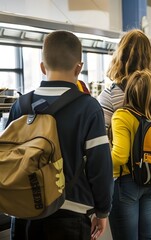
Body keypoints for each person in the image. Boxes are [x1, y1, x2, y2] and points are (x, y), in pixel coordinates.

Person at [7, 30, 113, 240]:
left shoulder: (21, 105)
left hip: (22, 210)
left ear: (41, 66)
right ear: (79, 68)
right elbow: (100, 165)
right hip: (70, 213)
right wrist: (103, 211)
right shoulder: (88, 107)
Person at [97, 29, 151, 240]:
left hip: (124, 178)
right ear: (148, 57)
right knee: (147, 235)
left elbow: (101, 138)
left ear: (120, 54)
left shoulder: (110, 95)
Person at [110, 69, 151, 239]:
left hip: (127, 182)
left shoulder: (122, 116)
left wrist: (95, 161)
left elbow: (119, 156)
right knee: (146, 235)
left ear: (129, 90)